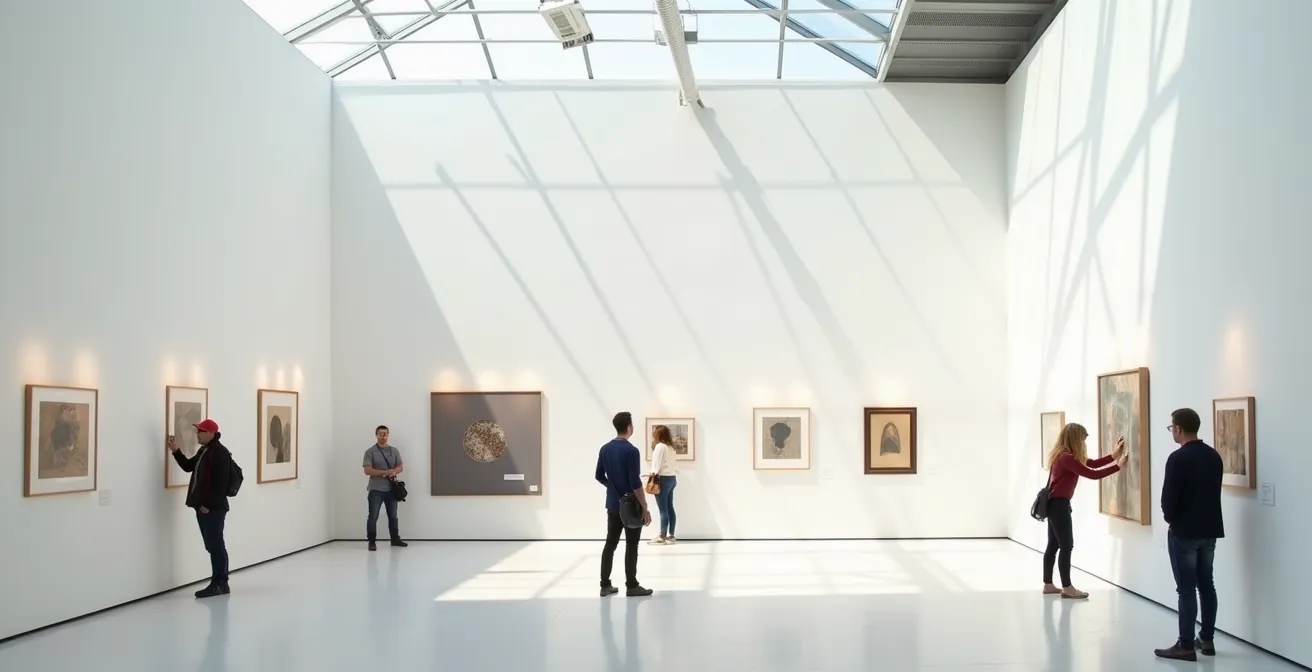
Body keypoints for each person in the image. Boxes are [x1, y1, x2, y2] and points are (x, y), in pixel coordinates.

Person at [1154, 408, 1225, 661]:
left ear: (1178, 429)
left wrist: (1170, 519)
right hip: (1210, 531)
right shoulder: (1214, 456)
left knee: (1185, 589)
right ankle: (1206, 639)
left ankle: (1185, 644)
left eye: (1171, 427)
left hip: (1184, 531)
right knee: (1207, 584)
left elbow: (1168, 499)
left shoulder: (1178, 458)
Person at [1041, 422, 1127, 599]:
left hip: (1054, 504)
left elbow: (1093, 464)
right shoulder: (1067, 458)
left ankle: (1048, 585)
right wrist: (1118, 466)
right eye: (1083, 438)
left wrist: (1114, 455)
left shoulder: (1063, 455)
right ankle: (1067, 588)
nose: (1084, 442)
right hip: (1059, 505)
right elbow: (1093, 473)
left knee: (1054, 545)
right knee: (1066, 545)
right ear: (1075, 438)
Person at [167, 418, 234, 598]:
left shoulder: (220, 453)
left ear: (212, 433)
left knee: (216, 545)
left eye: (201, 431)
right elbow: (189, 467)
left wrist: (206, 505)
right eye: (198, 431)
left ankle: (220, 583)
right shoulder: (205, 451)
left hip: (213, 508)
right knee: (212, 545)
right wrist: (176, 451)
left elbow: (220, 484)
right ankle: (219, 582)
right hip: (203, 508)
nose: (198, 434)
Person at [595, 412, 653, 597]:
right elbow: (635, 483)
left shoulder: (605, 449)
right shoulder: (632, 451)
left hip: (612, 504)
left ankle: (605, 585)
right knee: (632, 545)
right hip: (631, 506)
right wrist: (645, 507)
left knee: (610, 544)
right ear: (629, 428)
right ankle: (632, 585)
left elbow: (599, 476)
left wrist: (611, 486)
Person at [363, 425, 408, 551]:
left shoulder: (394, 451)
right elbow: (367, 470)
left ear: (388, 435)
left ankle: (395, 539)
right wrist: (384, 472)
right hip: (375, 490)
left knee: (393, 516)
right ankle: (372, 541)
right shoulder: (370, 452)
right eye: (381, 434)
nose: (383, 436)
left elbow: (400, 466)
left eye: (385, 434)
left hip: (391, 490)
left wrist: (394, 471)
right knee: (373, 516)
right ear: (376, 435)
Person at [648, 424, 679, 545]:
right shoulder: (671, 447)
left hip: (662, 480)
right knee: (670, 507)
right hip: (672, 478)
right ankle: (671, 535)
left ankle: (662, 537)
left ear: (658, 434)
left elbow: (655, 466)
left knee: (663, 509)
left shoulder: (660, 446)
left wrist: (651, 479)